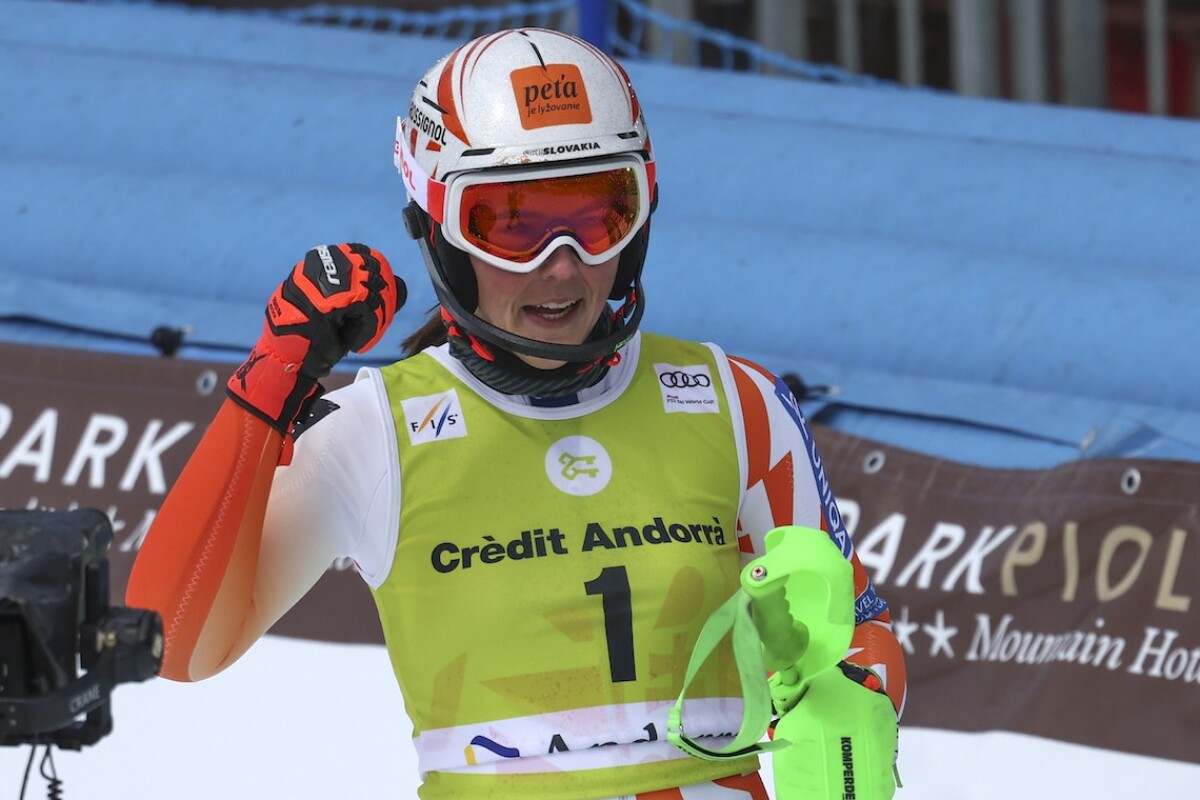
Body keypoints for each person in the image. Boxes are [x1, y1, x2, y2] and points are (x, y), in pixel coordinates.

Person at [127, 27, 907, 800]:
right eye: (511, 225)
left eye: (598, 217)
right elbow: (173, 643)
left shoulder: (736, 401)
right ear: (437, 229)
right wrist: (267, 388)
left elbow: (859, 634)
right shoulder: (374, 431)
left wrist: (850, 695)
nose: (561, 265)